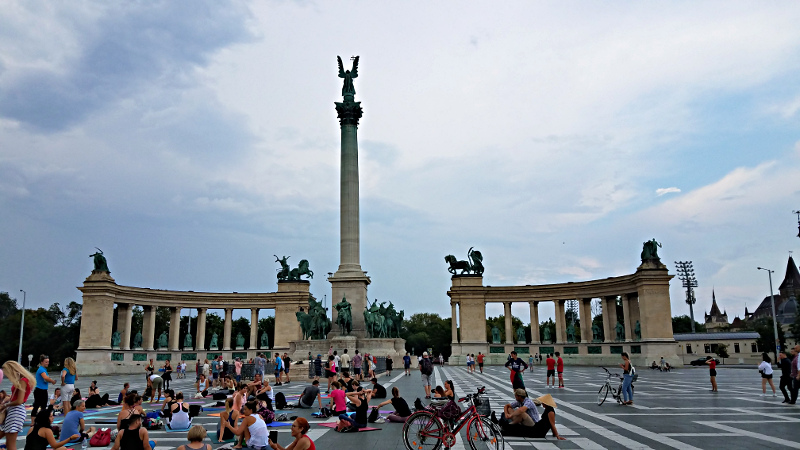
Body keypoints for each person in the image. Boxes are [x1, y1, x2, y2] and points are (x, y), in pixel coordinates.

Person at [492, 390, 565, 440]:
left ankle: (501, 427)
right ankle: (501, 427)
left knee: (520, 431)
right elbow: (550, 423)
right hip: (537, 428)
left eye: (543, 403)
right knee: (519, 429)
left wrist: (557, 435)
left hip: (538, 431)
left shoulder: (550, 412)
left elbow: (552, 424)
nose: (542, 404)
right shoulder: (548, 410)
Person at [0, 361, 35, 450]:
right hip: (15, 411)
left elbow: (19, 401)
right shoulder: (25, 379)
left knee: (10, 444)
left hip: (16, 412)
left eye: (7, 373)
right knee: (9, 443)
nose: (7, 376)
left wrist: (6, 405)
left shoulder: (23, 381)